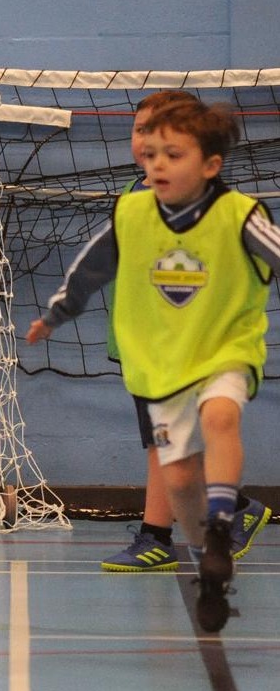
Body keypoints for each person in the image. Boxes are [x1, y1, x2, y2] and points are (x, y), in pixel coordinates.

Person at [26, 100, 280, 632]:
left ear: (211, 164)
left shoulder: (242, 215)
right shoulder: (132, 213)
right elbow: (90, 269)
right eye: (152, 151)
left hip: (224, 349)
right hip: (161, 364)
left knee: (220, 417)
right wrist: (56, 315)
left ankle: (222, 525)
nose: (157, 162)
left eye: (173, 153)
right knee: (181, 475)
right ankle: (205, 557)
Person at [98, 90, 271, 572]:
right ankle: (235, 507)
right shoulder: (138, 198)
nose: (146, 143)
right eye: (140, 132)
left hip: (186, 349)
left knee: (166, 439)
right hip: (143, 345)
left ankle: (157, 536)